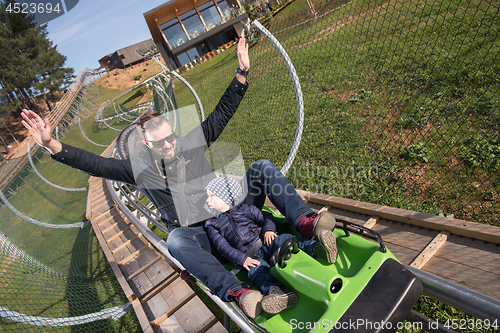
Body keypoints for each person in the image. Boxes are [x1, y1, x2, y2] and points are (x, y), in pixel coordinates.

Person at [21, 36, 338, 319]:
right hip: (202, 235)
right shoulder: (140, 169)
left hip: (229, 212)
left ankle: (306, 222)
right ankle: (241, 293)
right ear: (148, 144)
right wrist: (52, 144)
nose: (170, 145)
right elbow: (97, 166)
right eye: (161, 143)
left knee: (262, 168)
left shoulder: (187, 145)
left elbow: (220, 115)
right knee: (175, 240)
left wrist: (241, 73)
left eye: (171, 137)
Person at [204, 176, 337, 317]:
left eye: (212, 196)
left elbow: (266, 216)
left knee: (284, 239)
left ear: (226, 197)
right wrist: (242, 259)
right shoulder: (212, 224)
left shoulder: (245, 209)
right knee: (256, 273)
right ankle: (278, 293)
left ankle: (316, 248)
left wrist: (268, 230)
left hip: (264, 241)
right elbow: (222, 247)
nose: (208, 201)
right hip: (249, 257)